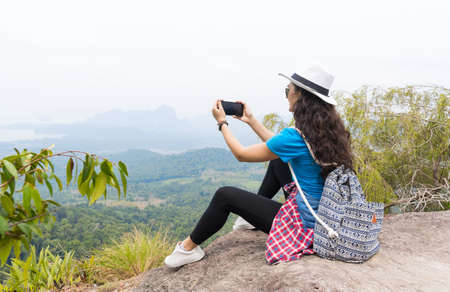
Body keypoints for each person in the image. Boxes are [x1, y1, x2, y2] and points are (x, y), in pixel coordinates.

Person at [164, 66, 354, 268]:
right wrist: (251, 121)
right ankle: (252, 217)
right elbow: (278, 147)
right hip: (327, 214)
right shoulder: (329, 130)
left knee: (224, 195)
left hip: (306, 226)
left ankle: (186, 250)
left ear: (300, 96)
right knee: (279, 159)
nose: (286, 94)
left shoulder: (296, 136)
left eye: (287, 90)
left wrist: (222, 123)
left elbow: (242, 154)